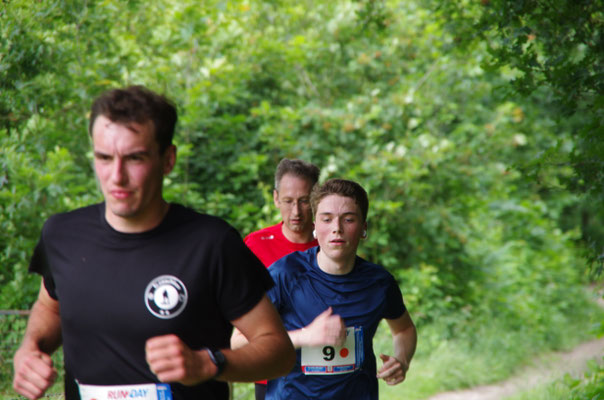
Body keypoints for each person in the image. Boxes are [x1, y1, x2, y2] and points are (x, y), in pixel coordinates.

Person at [12, 85, 295, 400]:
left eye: (135, 158)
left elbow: (279, 351)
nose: (117, 176)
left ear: (168, 159)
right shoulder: (62, 235)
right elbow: (50, 307)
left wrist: (208, 363)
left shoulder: (212, 244)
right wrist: (30, 348)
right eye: (104, 157)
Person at [235, 178, 417, 399]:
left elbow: (404, 329)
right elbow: (237, 340)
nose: (336, 229)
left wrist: (402, 360)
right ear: (315, 227)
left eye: (348, 219)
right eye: (327, 219)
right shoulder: (284, 274)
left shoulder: (379, 283)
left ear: (363, 228)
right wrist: (305, 336)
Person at [242, 158, 320, 400]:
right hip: (271, 372)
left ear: (316, 199)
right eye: (288, 201)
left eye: (304, 201)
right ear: (276, 198)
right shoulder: (255, 245)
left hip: (323, 369)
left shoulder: (331, 243)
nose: (296, 212)